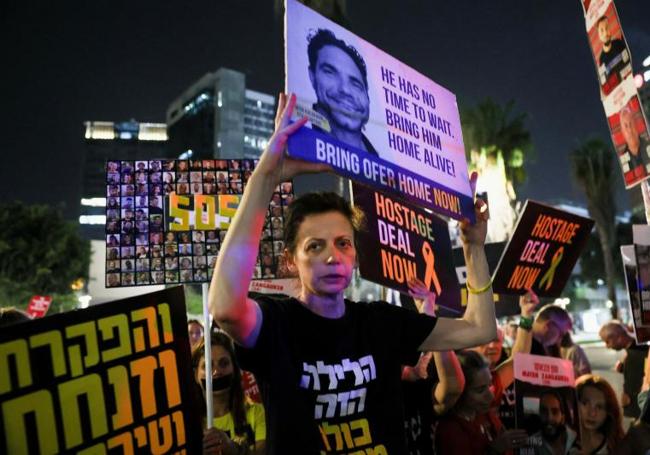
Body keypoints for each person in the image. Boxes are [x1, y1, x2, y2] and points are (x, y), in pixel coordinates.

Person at [209, 93, 497, 454]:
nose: (332, 257)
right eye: (315, 246)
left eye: (343, 243)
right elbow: (224, 308)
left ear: (355, 255)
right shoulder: (277, 323)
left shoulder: (381, 324)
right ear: (289, 260)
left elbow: (479, 328)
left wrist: (473, 249)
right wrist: (267, 176)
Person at [435, 350, 529, 454]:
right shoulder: (451, 431)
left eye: (490, 385)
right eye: (480, 390)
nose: (490, 396)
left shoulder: (484, 414)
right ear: (460, 392)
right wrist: (494, 450)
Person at [193, 333, 266, 455]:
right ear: (196, 375)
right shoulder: (186, 424)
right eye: (208, 366)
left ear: (235, 369)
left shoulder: (257, 413)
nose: (216, 372)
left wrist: (234, 449)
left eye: (224, 363)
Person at [307, 29, 377, 155]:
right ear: (312, 76)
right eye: (330, 72)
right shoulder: (301, 144)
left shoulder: (385, 166)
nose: (345, 89)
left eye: (356, 84)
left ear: (367, 97)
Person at [599, 321, 648, 419]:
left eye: (607, 341)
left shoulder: (639, 352)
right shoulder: (635, 350)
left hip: (642, 413)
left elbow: (641, 381)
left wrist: (630, 398)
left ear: (618, 337)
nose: (607, 346)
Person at [575, 374, 624, 454]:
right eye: (585, 403)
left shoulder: (615, 445)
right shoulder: (562, 441)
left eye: (600, 407)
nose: (592, 413)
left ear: (608, 412)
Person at [531, 390, 579, 455]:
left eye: (555, 411)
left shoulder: (577, 438)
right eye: (544, 411)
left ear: (563, 418)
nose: (549, 418)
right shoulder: (532, 443)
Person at [596, 15, 629, 83]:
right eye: (602, 30)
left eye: (607, 28)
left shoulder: (619, 43)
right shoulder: (601, 60)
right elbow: (606, 80)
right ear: (599, 35)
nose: (605, 33)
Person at [619, 106, 650, 174]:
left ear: (636, 124)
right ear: (622, 132)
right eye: (626, 126)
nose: (630, 130)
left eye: (631, 124)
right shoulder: (622, 162)